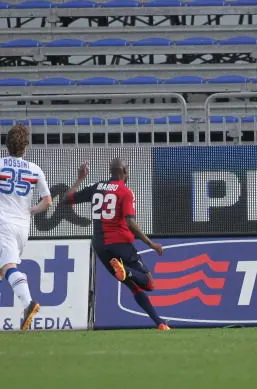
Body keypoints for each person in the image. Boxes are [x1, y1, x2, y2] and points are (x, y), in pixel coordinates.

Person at [63, 158, 170, 331]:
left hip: (99, 246)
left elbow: (66, 199)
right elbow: (130, 223)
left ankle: (160, 323)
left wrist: (80, 178)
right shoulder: (125, 192)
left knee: (133, 286)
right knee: (149, 284)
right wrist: (151, 244)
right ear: (124, 172)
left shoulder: (97, 187)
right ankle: (125, 270)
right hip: (120, 243)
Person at [0, 125, 53, 330]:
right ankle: (25, 299)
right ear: (26, 146)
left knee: (8, 268)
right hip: (22, 227)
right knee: (3, 270)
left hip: (3, 224)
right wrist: (30, 210)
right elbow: (47, 201)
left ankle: (28, 303)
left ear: (6, 144)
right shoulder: (34, 169)